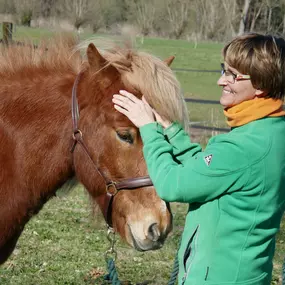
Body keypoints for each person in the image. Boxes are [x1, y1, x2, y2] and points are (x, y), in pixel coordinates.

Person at [112, 33, 285, 285]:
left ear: (260, 86)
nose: (220, 80)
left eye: (232, 75)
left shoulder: (243, 147)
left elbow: (173, 184)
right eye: (223, 70)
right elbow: (213, 174)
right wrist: (170, 130)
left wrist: (148, 129)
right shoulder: (271, 132)